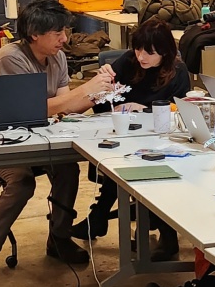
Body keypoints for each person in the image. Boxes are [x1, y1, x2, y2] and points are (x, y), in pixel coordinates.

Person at [0, 0, 115, 280]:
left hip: (42, 138)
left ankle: (59, 236)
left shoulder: (57, 57)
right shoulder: (11, 58)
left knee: (68, 168)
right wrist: (86, 88)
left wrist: (98, 94)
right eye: (57, 34)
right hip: (3, 141)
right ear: (34, 34)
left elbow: (64, 104)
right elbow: (32, 110)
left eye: (64, 32)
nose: (64, 40)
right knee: (21, 181)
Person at [69, 19, 190, 260]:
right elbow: (100, 107)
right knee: (120, 164)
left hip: (161, 139)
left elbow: (182, 111)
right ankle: (100, 218)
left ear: (165, 51)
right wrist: (104, 87)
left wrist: (144, 109)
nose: (142, 56)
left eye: (150, 52)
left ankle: (104, 219)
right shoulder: (129, 61)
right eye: (138, 49)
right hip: (125, 135)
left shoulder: (178, 72)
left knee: (142, 168)